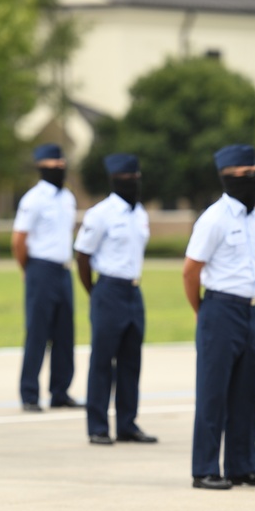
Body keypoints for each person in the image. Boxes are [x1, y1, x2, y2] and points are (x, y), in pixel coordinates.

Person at [183, 144, 255, 490]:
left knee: (246, 392)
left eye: (254, 173)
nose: (250, 179)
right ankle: (205, 468)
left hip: (250, 310)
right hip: (220, 308)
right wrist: (203, 311)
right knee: (213, 392)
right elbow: (190, 271)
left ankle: (242, 466)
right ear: (226, 177)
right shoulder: (213, 219)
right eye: (243, 175)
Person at [73, 153, 157, 446]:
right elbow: (82, 256)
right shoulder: (100, 214)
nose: (133, 182)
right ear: (115, 180)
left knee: (131, 359)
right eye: (127, 179)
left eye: (136, 178)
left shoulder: (140, 213)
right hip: (108, 289)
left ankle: (127, 423)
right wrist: (95, 292)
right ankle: (97, 426)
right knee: (102, 360)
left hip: (134, 290)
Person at [11, 143, 80, 412]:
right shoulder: (33, 199)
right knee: (38, 332)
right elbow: (19, 239)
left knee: (65, 333)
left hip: (64, 269)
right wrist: (27, 268)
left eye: (61, 165)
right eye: (53, 166)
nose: (59, 169)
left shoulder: (68, 197)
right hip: (40, 268)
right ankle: (29, 394)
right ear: (42, 168)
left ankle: (60, 391)